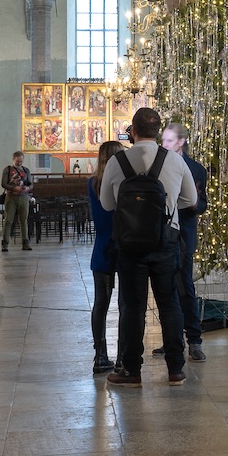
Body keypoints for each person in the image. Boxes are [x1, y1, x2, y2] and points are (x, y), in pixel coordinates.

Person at [100, 107, 197, 387]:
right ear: (158, 131)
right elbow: (190, 199)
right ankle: (176, 369)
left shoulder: (118, 162)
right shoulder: (175, 161)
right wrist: (165, 212)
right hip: (166, 241)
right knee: (170, 304)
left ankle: (131, 371)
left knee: (133, 307)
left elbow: (107, 204)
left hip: (130, 244)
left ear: (133, 130)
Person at [152, 122, 209, 363]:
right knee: (166, 286)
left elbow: (202, 204)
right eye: (163, 140)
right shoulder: (158, 164)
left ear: (181, 142)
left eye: (169, 141)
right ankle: (171, 340)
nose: (163, 145)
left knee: (184, 285)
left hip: (184, 233)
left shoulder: (195, 169)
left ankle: (194, 341)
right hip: (163, 232)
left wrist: (194, 204)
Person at [89, 139, 123, 375]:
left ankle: (100, 356)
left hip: (101, 249)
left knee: (101, 303)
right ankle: (122, 357)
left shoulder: (93, 182)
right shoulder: (121, 182)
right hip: (122, 247)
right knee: (126, 304)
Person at [1, 150, 34, 251]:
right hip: (11, 197)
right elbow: (3, 184)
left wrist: (28, 189)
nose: (19, 163)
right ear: (13, 160)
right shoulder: (7, 169)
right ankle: (5, 243)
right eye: (17, 161)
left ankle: (25, 242)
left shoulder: (26, 170)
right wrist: (13, 188)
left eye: (21, 161)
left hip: (23, 197)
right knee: (8, 220)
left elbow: (31, 184)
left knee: (23, 221)